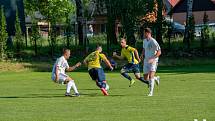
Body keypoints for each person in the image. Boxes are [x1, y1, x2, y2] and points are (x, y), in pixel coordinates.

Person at [141, 28, 161, 96]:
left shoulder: (153, 41)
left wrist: (153, 58)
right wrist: (142, 55)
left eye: (144, 33)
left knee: (151, 76)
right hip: (146, 60)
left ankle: (151, 93)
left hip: (153, 61)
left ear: (148, 33)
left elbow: (159, 52)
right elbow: (144, 49)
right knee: (145, 78)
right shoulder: (144, 41)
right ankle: (156, 78)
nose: (143, 34)